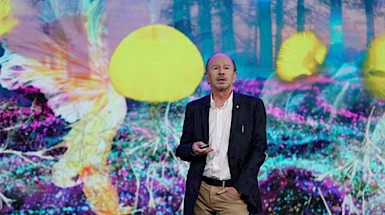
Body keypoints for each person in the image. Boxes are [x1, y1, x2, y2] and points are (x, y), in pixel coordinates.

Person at [176, 53, 267, 214]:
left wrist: (239, 188)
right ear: (207, 77)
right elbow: (182, 149)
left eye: (226, 68)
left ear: (234, 76)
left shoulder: (252, 107)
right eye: (215, 68)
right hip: (200, 193)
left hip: (233, 193)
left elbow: (259, 151)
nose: (221, 72)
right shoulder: (195, 109)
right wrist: (192, 149)